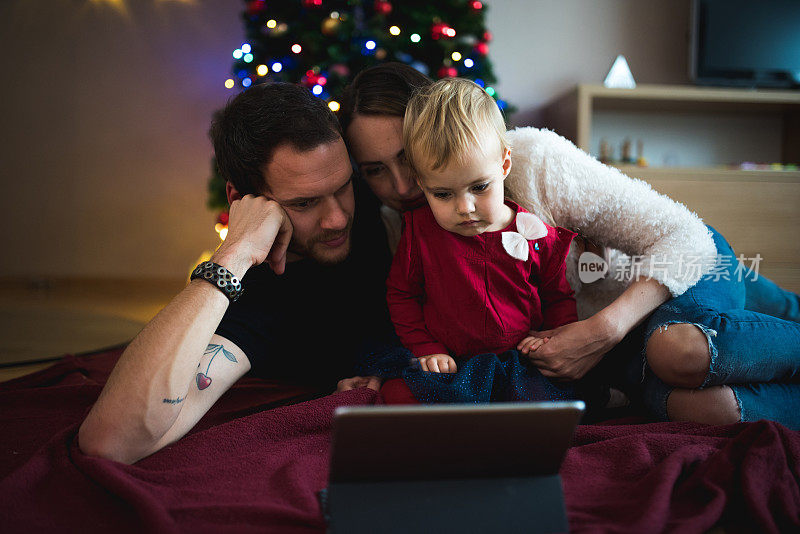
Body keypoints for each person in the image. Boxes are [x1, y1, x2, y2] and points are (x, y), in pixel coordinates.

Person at [339, 62, 800, 429]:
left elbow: (686, 238)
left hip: (669, 275)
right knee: (708, 410)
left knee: (678, 352)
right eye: (375, 169)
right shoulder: (402, 226)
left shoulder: (534, 161)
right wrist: (391, 370)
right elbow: (415, 315)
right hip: (610, 351)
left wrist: (605, 328)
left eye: (406, 157)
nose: (401, 186)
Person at [78, 82, 396, 464]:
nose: (338, 218)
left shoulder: (381, 185)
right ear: (242, 201)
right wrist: (234, 253)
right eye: (304, 202)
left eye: (343, 187)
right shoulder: (256, 297)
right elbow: (109, 441)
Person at [381, 78, 578, 403]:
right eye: (442, 194)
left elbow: (558, 299)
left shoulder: (534, 232)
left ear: (504, 164)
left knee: (547, 400)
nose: (464, 208)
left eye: (479, 187)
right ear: (421, 183)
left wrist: (550, 341)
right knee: (399, 395)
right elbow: (401, 295)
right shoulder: (420, 232)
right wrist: (426, 348)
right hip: (452, 365)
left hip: (520, 362)